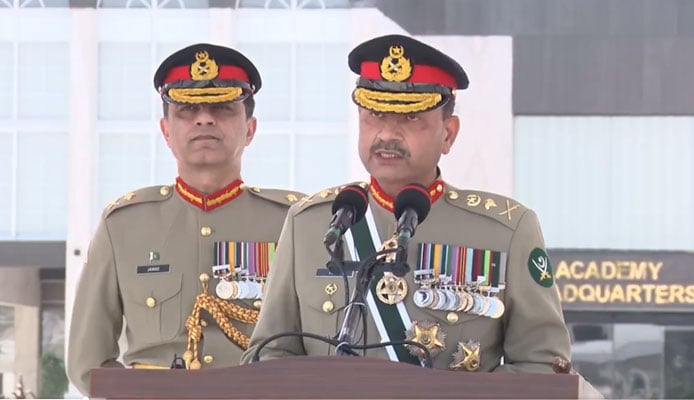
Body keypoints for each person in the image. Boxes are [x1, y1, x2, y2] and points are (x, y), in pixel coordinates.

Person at [242, 34, 572, 373]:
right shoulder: (311, 223)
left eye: (410, 118)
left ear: (448, 134)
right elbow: (270, 356)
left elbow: (543, 365)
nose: (387, 134)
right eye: (374, 115)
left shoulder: (506, 232)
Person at [67, 43, 304, 395]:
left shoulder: (294, 221)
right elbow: (87, 363)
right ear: (166, 130)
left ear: (250, 129)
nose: (204, 119)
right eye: (187, 109)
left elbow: (321, 349)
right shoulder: (124, 225)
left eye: (223, 108)